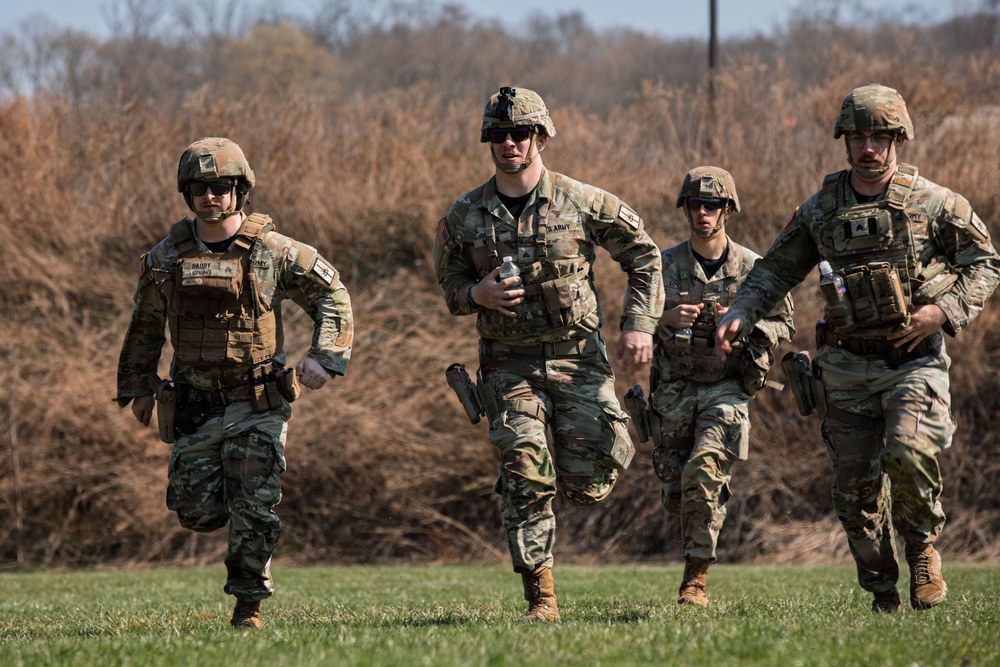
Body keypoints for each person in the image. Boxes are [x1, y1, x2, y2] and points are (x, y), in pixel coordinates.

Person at [715, 84, 999, 612]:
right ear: (844, 141)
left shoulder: (935, 203)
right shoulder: (821, 210)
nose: (869, 148)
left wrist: (943, 311)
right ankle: (881, 587)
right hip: (844, 367)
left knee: (909, 452)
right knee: (854, 493)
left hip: (912, 362)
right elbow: (775, 270)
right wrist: (740, 311)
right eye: (858, 137)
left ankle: (922, 551)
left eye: (880, 137)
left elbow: (985, 263)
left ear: (899, 140)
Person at [433, 86, 664, 621]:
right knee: (524, 468)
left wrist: (639, 325)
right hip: (507, 365)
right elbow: (450, 287)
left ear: (540, 136)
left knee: (587, 484)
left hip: (578, 359)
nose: (509, 143)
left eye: (520, 133)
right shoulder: (465, 215)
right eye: (498, 134)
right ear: (488, 140)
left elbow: (645, 258)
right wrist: (476, 294)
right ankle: (542, 597)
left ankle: (605, 439)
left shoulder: (583, 201)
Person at [115, 137, 354, 629]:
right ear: (187, 193)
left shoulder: (273, 252)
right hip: (194, 404)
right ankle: (230, 503)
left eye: (222, 186)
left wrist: (325, 357)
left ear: (240, 190)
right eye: (200, 188)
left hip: (258, 401)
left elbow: (332, 295)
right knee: (196, 512)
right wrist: (138, 386)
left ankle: (248, 607)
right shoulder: (166, 258)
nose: (211, 196)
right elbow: (145, 325)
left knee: (254, 501)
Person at [649, 167, 793, 606]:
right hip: (674, 390)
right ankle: (693, 533)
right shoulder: (661, 265)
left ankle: (695, 580)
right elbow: (631, 321)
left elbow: (784, 322)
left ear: (727, 209)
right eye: (696, 204)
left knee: (706, 469)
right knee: (679, 491)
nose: (704, 213)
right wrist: (662, 319)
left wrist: (743, 323)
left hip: (726, 387)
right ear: (686, 208)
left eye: (713, 205)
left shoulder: (753, 268)